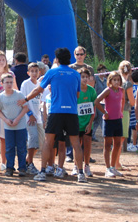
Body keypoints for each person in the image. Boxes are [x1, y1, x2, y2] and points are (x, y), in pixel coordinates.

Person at [24, 47, 85, 183]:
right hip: (71, 112)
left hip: (56, 111)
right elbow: (78, 94)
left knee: (48, 141)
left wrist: (25, 99)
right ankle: (81, 173)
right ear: (70, 58)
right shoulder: (76, 74)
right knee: (76, 143)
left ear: (56, 59)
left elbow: (39, 89)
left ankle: (43, 171)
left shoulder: (52, 72)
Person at [0, 73, 29, 176]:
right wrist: (6, 120)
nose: (9, 84)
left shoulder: (19, 94)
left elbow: (26, 107)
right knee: (9, 147)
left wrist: (17, 119)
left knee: (21, 147)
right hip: (8, 126)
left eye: (11, 82)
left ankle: (22, 168)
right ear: (2, 84)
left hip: (20, 125)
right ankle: (9, 167)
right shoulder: (0, 97)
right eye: (7, 82)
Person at [95, 71, 125, 178]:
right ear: (110, 81)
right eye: (114, 80)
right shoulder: (108, 90)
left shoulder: (121, 90)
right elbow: (96, 101)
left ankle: (113, 167)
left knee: (117, 144)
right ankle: (107, 168)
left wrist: (121, 112)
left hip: (118, 120)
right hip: (108, 121)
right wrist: (104, 113)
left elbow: (122, 101)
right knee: (107, 145)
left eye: (118, 80)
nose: (117, 82)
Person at [21, 63, 44, 175]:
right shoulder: (25, 84)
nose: (34, 73)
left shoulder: (40, 84)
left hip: (38, 117)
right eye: (32, 71)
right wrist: (29, 114)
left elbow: (41, 101)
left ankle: (26, 161)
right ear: (28, 72)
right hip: (29, 117)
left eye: (36, 71)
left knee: (40, 142)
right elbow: (22, 101)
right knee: (32, 138)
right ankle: (30, 164)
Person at [74, 68, 97, 177]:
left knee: (87, 145)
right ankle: (75, 166)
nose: (84, 79)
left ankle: (86, 166)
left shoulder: (91, 91)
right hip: (77, 123)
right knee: (77, 146)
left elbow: (94, 108)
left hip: (88, 123)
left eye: (86, 77)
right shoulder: (75, 90)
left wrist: (90, 123)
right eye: (82, 77)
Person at [127, 70, 138, 152]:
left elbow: (130, 99)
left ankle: (134, 144)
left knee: (134, 128)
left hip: (133, 108)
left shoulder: (131, 88)